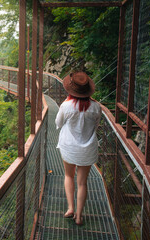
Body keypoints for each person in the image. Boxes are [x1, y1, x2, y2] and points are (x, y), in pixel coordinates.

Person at [55, 72, 101, 226]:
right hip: (88, 148)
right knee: (83, 183)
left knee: (69, 176)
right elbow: (96, 125)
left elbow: (58, 123)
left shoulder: (66, 106)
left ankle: (70, 208)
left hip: (69, 147)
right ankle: (80, 216)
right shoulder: (96, 107)